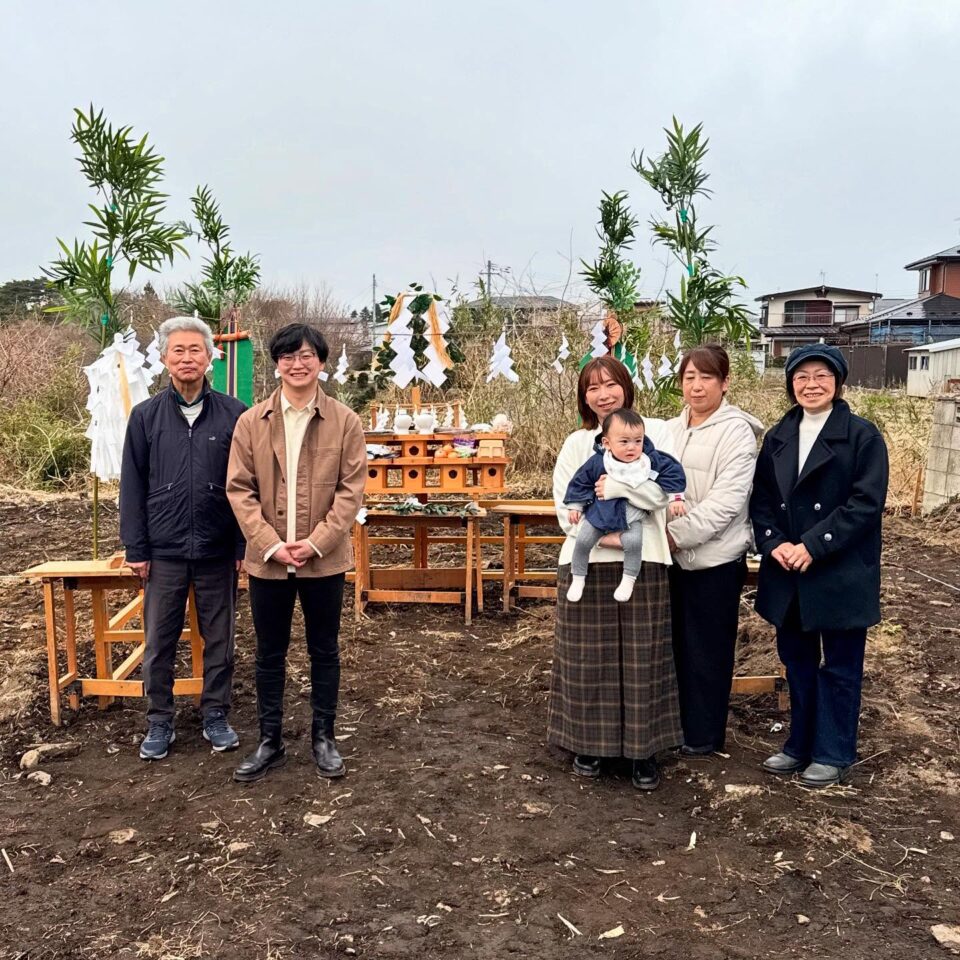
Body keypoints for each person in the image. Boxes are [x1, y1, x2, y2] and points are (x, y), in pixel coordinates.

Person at [227, 323, 367, 783]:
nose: (298, 363)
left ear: (321, 362)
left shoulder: (344, 421)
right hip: (267, 564)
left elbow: (350, 492)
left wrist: (315, 543)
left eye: (307, 355)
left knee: (324, 649)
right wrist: (269, 543)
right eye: (288, 356)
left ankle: (323, 737)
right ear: (277, 363)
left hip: (322, 560)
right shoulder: (252, 421)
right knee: (269, 652)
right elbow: (239, 489)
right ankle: (270, 741)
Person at [750, 343, 888, 788]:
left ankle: (834, 751)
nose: (811, 385)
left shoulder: (862, 436)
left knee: (841, 663)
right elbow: (763, 499)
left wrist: (812, 544)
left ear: (838, 382)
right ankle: (799, 744)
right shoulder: (779, 435)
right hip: (788, 568)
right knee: (798, 662)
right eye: (802, 376)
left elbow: (864, 505)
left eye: (821, 376)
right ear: (791, 384)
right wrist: (774, 543)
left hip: (839, 568)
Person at [548, 356, 682, 791]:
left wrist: (622, 491)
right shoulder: (576, 444)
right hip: (587, 561)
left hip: (644, 560)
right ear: (584, 397)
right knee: (588, 657)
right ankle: (589, 744)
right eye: (592, 388)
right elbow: (567, 508)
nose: (603, 394)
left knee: (645, 656)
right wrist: (612, 536)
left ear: (626, 387)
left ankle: (643, 752)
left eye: (610, 385)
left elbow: (661, 494)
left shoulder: (653, 433)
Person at [120, 315, 247, 761]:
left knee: (221, 639)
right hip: (164, 551)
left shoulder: (236, 414)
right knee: (159, 642)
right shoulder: (145, 417)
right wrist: (136, 548)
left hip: (217, 550)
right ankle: (159, 720)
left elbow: (247, 486)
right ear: (163, 358)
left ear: (211, 355)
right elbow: (131, 487)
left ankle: (215, 713)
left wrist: (241, 546)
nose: (188, 357)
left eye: (196, 349)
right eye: (179, 350)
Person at [664, 345, 763, 756]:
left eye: (706, 377)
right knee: (672, 644)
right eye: (689, 377)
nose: (697, 385)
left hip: (715, 559)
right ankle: (672, 728)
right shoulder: (669, 429)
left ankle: (703, 736)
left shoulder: (736, 431)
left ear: (724, 383)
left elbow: (728, 502)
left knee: (707, 649)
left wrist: (675, 535)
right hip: (669, 558)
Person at [564, 407, 686, 603]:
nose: (632, 447)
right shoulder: (598, 462)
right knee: (583, 540)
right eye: (624, 442)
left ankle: (628, 579)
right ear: (607, 443)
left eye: (638, 441)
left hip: (632, 517)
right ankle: (578, 577)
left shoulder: (649, 460)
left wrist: (676, 497)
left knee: (634, 543)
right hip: (599, 515)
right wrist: (575, 505)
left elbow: (672, 472)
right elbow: (581, 482)